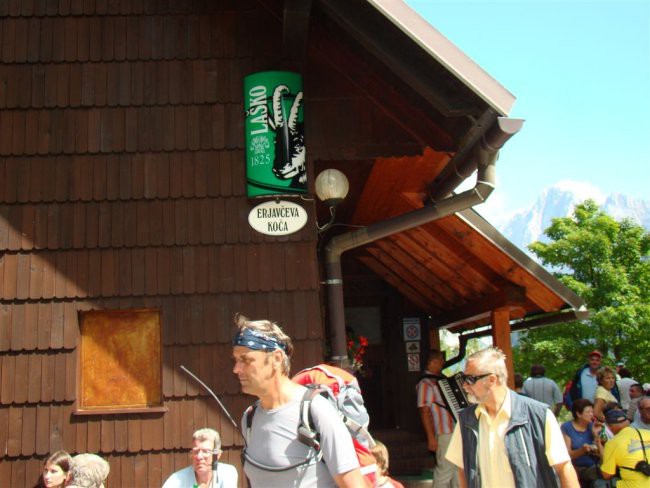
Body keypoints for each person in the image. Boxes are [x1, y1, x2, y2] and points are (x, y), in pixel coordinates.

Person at [231, 314, 366, 487]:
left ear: (277, 359)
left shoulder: (316, 411)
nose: (236, 369)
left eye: (246, 360)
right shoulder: (249, 419)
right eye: (236, 360)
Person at [445, 346, 579, 488]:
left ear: (491, 380)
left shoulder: (539, 415)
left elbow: (564, 468)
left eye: (470, 379)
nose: (464, 386)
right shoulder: (466, 420)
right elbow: (462, 469)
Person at [416, 350, 459, 488]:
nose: (443, 363)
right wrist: (431, 437)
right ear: (432, 362)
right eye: (441, 360)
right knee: (445, 470)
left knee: (457, 470)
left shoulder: (442, 380)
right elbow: (424, 410)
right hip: (443, 431)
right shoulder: (425, 383)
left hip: (454, 430)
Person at [162, 428, 238, 488]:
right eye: (196, 451)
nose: (199, 457)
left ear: (217, 455)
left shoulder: (227, 473)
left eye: (206, 451)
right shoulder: (177, 479)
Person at [600, 407, 650, 487]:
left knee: (599, 484)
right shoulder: (647, 433)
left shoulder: (612, 443)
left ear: (609, 427)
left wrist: (599, 445)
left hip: (634, 486)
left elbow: (607, 475)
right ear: (627, 422)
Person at [560, 399, 603, 487]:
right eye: (588, 412)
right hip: (578, 468)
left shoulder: (592, 426)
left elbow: (602, 453)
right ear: (578, 414)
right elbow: (568, 454)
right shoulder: (567, 427)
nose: (591, 414)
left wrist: (596, 435)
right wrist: (582, 450)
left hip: (595, 466)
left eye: (592, 411)